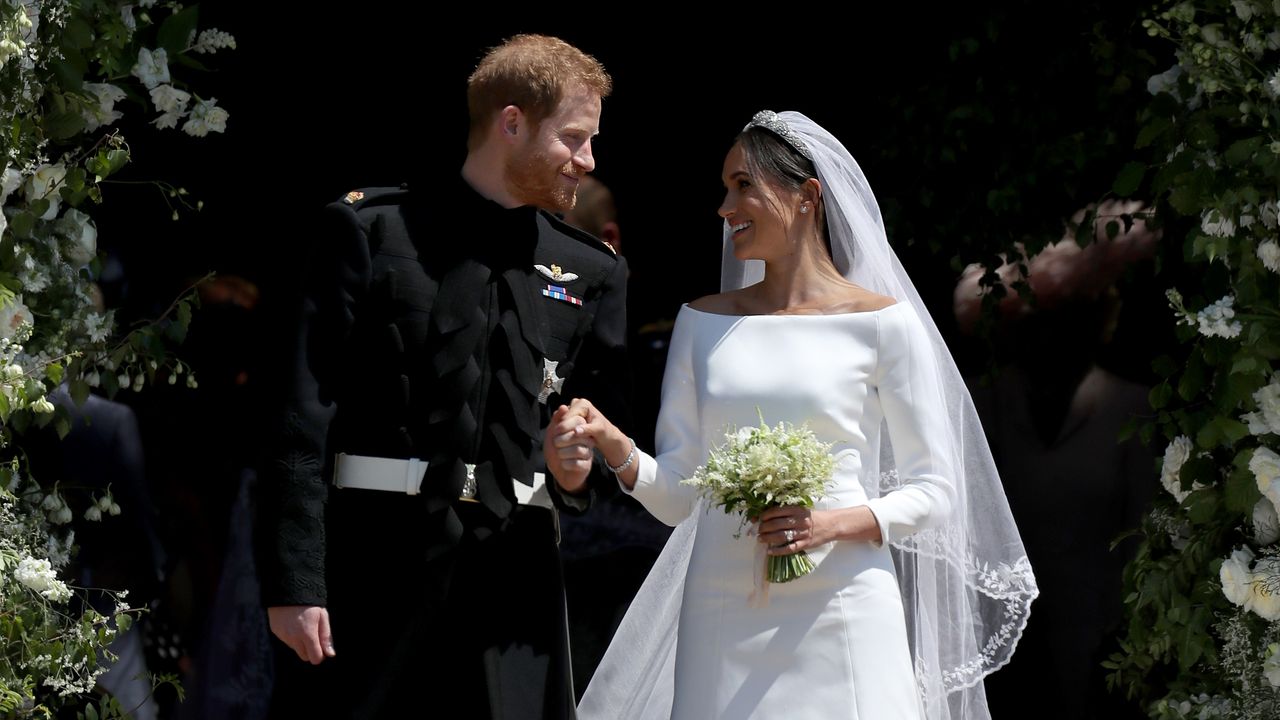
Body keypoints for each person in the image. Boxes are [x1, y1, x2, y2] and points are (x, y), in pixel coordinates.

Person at [543, 111, 1037, 719]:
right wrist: (615, 446)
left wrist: (833, 524)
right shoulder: (700, 323)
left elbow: (936, 490)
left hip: (845, 601)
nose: (725, 207)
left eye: (743, 185)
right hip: (721, 606)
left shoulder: (883, 325)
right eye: (725, 188)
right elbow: (677, 499)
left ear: (806, 196)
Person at [257, 34, 628, 719]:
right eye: (574, 138)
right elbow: (298, 414)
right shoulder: (369, 231)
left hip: (515, 584)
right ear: (511, 122)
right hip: (372, 564)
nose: (588, 161)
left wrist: (580, 473)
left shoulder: (593, 272)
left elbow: (603, 429)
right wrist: (295, 580)